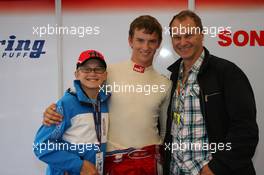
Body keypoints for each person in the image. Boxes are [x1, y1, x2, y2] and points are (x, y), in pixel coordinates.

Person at [41, 15, 171, 174]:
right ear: (130, 40)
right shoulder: (107, 72)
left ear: (158, 44)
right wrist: (53, 111)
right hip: (113, 161)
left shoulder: (165, 83)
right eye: (140, 40)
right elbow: (79, 96)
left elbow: (165, 130)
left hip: (150, 161)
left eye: (152, 41)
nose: (146, 46)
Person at [163, 10, 259, 175]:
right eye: (177, 37)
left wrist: (216, 168)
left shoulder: (227, 73)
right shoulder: (173, 76)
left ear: (202, 34)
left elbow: (245, 131)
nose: (183, 42)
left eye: (189, 35)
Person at [34, 50, 110, 175]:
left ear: (105, 75)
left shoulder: (106, 102)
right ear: (77, 74)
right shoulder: (66, 104)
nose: (92, 73)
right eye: (86, 69)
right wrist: (79, 165)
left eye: (98, 69)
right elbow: (41, 146)